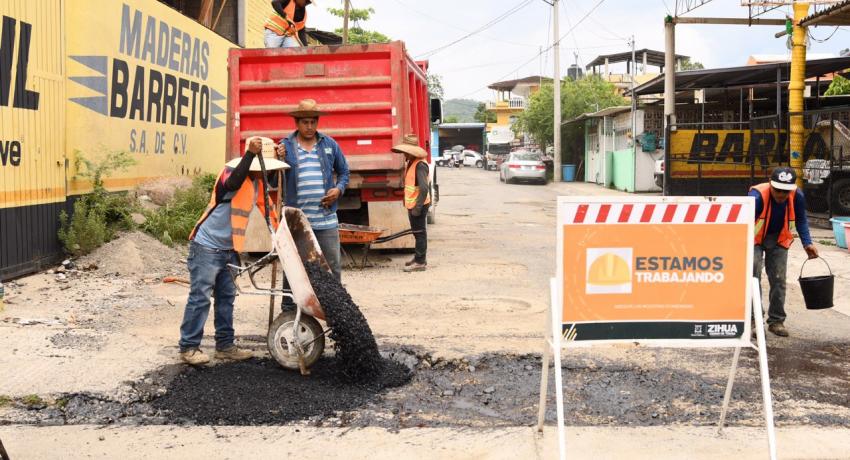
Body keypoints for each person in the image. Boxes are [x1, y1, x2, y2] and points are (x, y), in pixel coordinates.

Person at [179, 137, 288, 365]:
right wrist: (250, 155)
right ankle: (189, 347)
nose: (264, 174)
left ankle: (225, 346)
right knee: (200, 298)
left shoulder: (257, 183)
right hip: (206, 246)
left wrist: (283, 240)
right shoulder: (230, 172)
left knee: (226, 298)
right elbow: (232, 185)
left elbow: (270, 212)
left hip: (229, 249)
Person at [278, 99, 349, 280]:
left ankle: (335, 307)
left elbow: (344, 172)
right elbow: (274, 181)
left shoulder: (329, 144)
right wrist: (279, 161)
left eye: (313, 122)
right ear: (297, 123)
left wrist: (339, 190)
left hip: (326, 219)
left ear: (317, 122)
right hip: (297, 220)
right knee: (295, 265)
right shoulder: (284, 146)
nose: (309, 126)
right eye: (305, 122)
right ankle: (289, 306)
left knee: (332, 266)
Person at [750, 166, 819, 337]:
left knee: (779, 279)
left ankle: (776, 321)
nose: (781, 195)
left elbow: (801, 220)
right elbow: (743, 223)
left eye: (785, 191)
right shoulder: (757, 197)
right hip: (753, 240)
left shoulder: (797, 196)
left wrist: (807, 243)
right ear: (770, 185)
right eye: (778, 190)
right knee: (753, 277)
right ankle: (753, 321)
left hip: (779, 238)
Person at [392, 134, 431, 272]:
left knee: (420, 233)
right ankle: (418, 257)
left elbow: (424, 188)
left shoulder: (420, 165)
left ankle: (420, 262)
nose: (403, 154)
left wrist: (418, 207)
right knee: (417, 233)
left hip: (418, 205)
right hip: (413, 204)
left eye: (405, 152)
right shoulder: (411, 162)